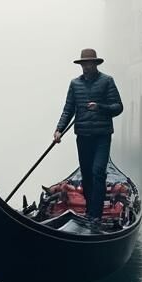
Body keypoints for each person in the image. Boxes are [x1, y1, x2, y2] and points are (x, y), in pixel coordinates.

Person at [53, 48, 123, 231]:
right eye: (84, 63)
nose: (86, 66)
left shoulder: (107, 81)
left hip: (102, 135)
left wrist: (99, 107)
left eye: (89, 63)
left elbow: (118, 107)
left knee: (98, 171)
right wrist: (59, 130)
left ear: (95, 64)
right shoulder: (75, 84)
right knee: (87, 175)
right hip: (83, 135)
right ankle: (91, 211)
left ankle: (96, 216)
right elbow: (68, 109)